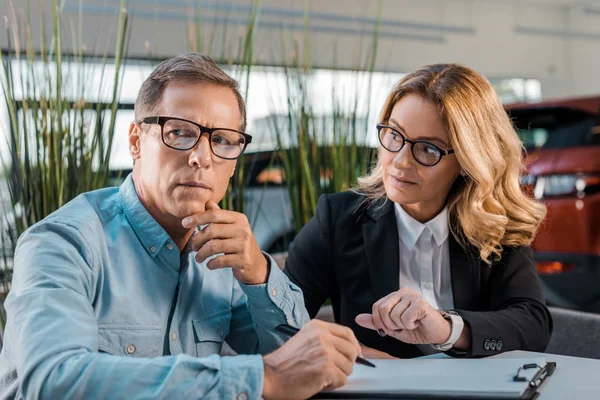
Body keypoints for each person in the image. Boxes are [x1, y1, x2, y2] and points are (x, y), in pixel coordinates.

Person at [0, 53, 362, 400]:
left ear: (234, 161)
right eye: (179, 132)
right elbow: (53, 381)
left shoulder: (224, 256)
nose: (201, 157)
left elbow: (299, 367)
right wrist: (261, 377)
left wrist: (259, 274)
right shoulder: (62, 243)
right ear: (136, 141)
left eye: (221, 140)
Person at [284, 63, 552, 359]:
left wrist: (448, 329)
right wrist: (351, 352)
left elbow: (533, 324)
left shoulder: (495, 222)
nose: (400, 161)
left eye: (427, 148)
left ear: (467, 160)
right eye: (394, 135)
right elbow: (283, 324)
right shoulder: (338, 219)